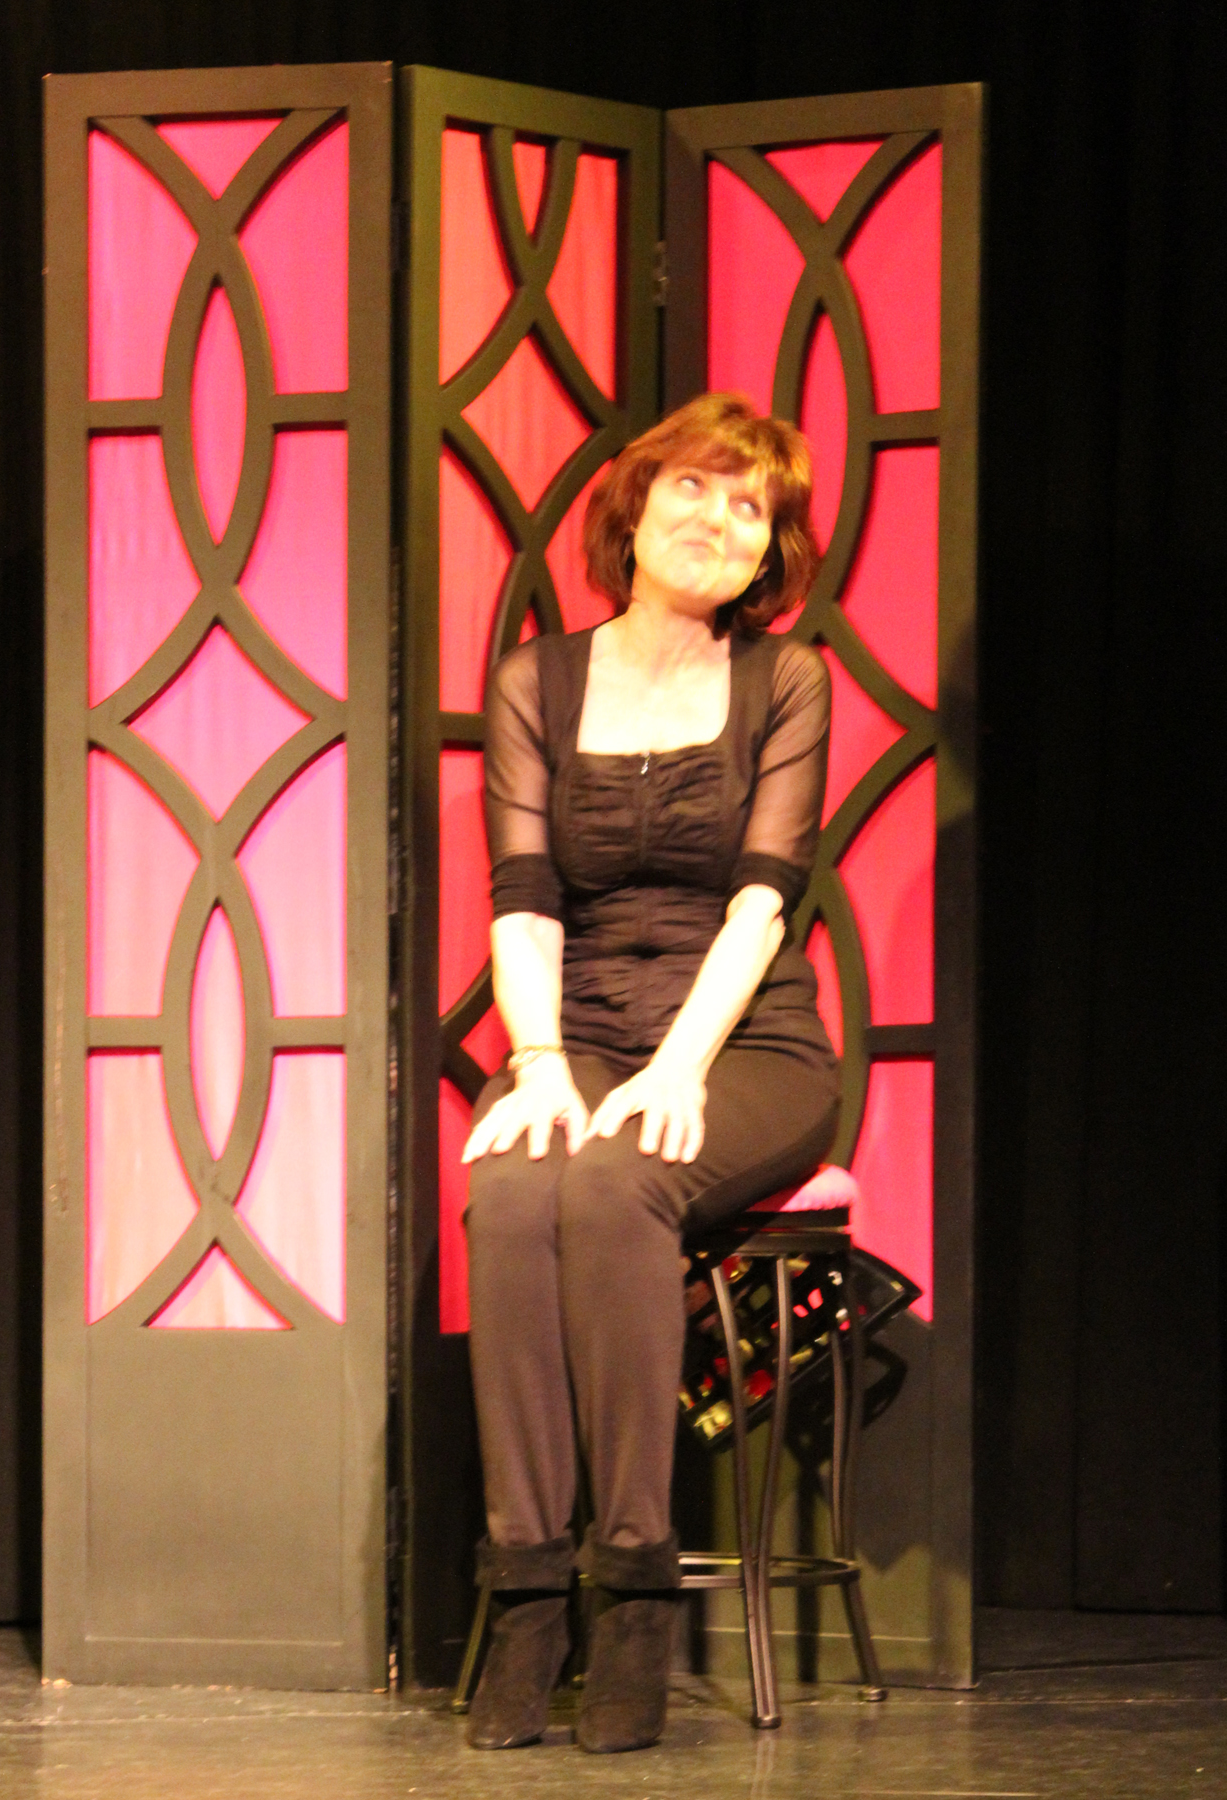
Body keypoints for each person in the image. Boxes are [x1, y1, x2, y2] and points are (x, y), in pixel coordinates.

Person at [459, 393, 841, 1753]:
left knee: (617, 1183)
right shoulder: (536, 680)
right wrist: (539, 1064)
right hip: (576, 1026)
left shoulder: (785, 682)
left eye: (751, 508)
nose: (720, 520)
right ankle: (525, 1587)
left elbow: (762, 901)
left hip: (742, 1038)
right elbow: (522, 900)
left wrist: (678, 1067)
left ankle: (628, 1584)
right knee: (515, 1192)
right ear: (635, 503)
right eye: (696, 487)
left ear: (768, 552)